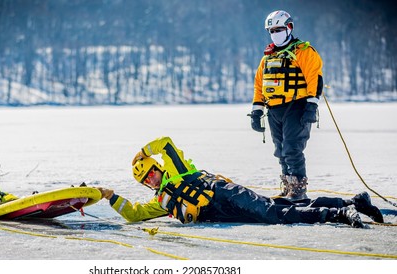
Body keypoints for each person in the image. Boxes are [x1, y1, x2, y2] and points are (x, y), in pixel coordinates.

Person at [97, 137, 383, 228]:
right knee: (280, 205)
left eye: (150, 172)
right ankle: (352, 202)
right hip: (224, 213)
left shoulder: (177, 170)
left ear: (156, 167)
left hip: (226, 194)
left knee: (276, 214)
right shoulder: (161, 202)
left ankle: (338, 214)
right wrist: (109, 196)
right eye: (145, 179)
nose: (150, 179)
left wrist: (145, 151)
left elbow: (166, 143)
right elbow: (134, 215)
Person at [249, 10, 324, 201]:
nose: (275, 33)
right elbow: (259, 85)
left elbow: (315, 79)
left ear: (289, 27)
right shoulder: (267, 57)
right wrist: (257, 111)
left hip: (296, 106)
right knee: (280, 150)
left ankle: (298, 190)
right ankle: (288, 186)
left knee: (292, 148)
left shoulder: (304, 51)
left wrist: (311, 107)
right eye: (271, 30)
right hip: (274, 110)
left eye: (279, 29)